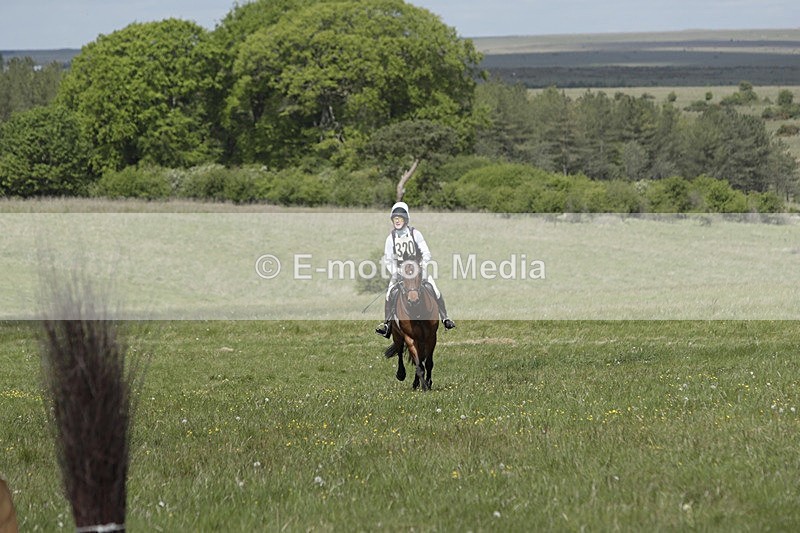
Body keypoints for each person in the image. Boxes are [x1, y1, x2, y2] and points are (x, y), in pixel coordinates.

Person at [375, 201, 455, 338]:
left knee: (434, 290)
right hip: (400, 272)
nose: (397, 221)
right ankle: (387, 324)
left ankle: (445, 318)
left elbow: (426, 253)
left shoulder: (415, 234)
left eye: (400, 218)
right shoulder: (391, 238)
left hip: (418, 271)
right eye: (395, 218)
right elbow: (388, 259)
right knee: (389, 294)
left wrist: (421, 265)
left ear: (405, 220)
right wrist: (396, 272)